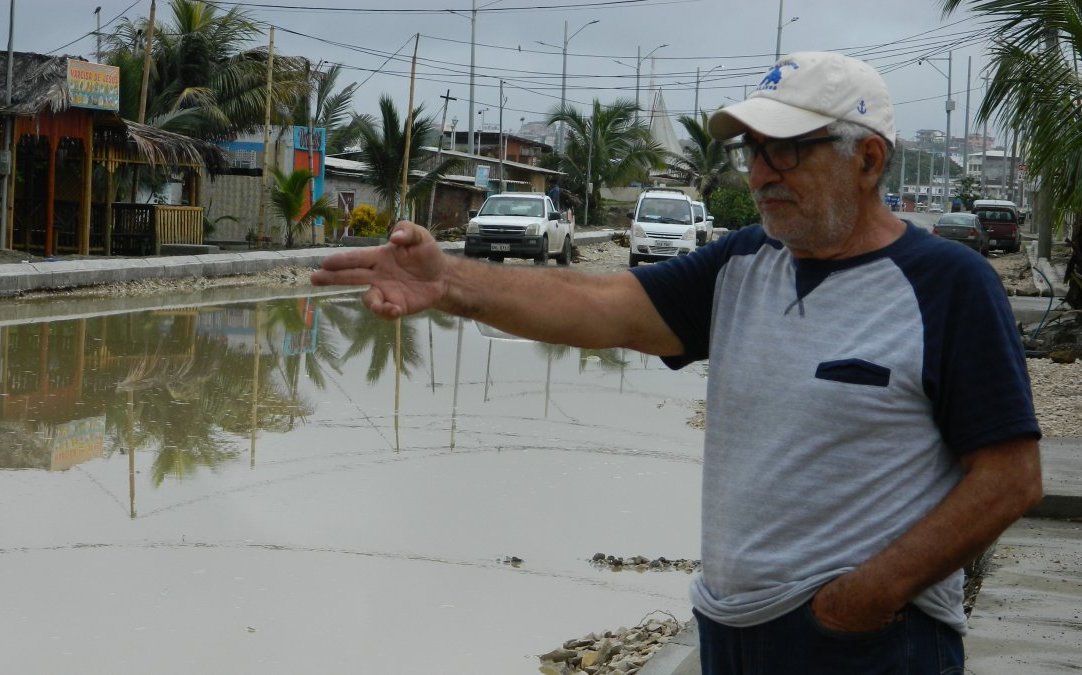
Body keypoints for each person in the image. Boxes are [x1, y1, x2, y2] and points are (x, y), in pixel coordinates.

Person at [312, 51, 1042, 674]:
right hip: (729, 631)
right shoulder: (741, 265)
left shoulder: (948, 285)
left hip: (869, 642)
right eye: (751, 151)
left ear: (869, 160)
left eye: (785, 150)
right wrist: (451, 284)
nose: (760, 173)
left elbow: (1010, 477)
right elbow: (601, 308)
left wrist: (865, 597)